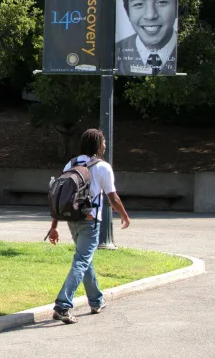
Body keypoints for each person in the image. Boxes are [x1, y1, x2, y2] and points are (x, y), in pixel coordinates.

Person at [47, 129, 131, 324]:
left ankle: (96, 301)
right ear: (98, 145)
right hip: (89, 221)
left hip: (71, 219)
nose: (105, 145)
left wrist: (54, 226)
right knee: (81, 261)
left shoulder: (71, 163)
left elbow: (59, 196)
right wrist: (124, 215)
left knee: (85, 260)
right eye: (103, 142)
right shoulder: (103, 167)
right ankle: (62, 305)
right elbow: (113, 197)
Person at [115, 0, 179, 76]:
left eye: (161, 2)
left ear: (177, 6)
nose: (150, 15)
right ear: (127, 10)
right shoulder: (114, 54)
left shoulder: (190, 51)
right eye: (139, 4)